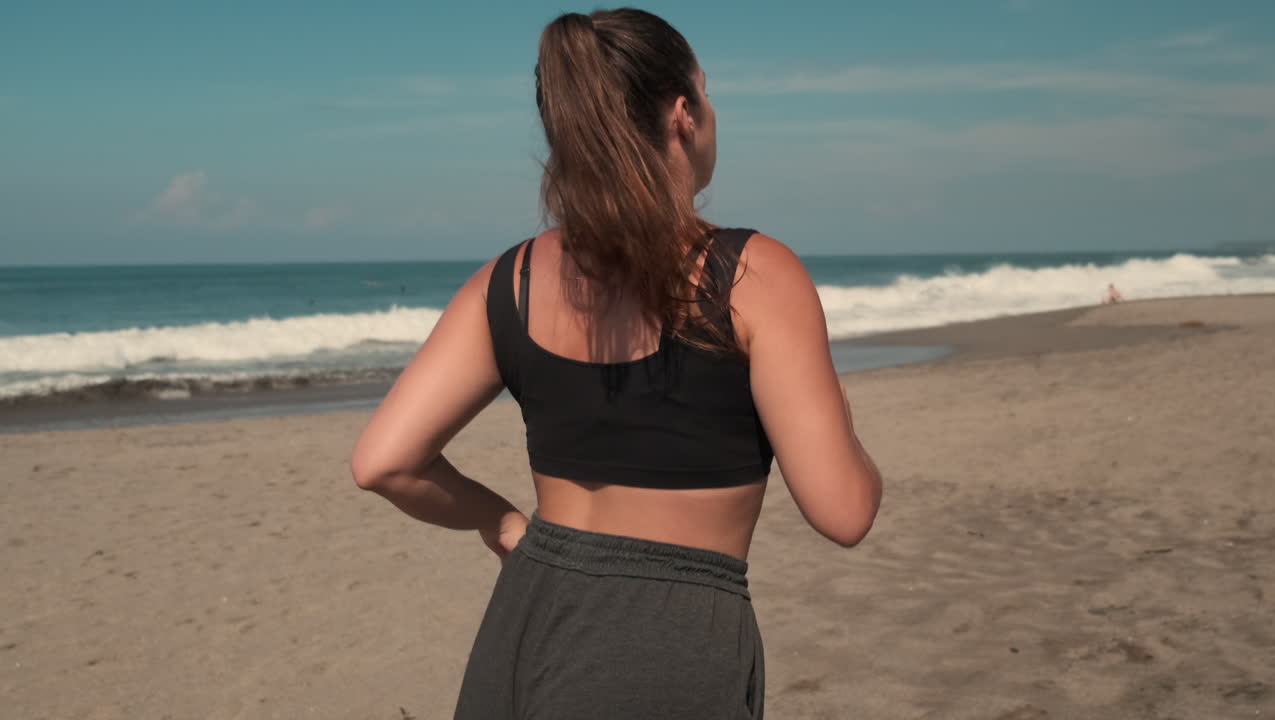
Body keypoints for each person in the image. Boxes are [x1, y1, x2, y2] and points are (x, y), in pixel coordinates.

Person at [350, 8, 882, 719]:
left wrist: (505, 523)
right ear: (683, 113)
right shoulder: (751, 273)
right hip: (666, 644)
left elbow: (384, 461)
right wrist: (838, 414)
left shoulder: (508, 282)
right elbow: (844, 510)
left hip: (524, 624)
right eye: (708, 92)